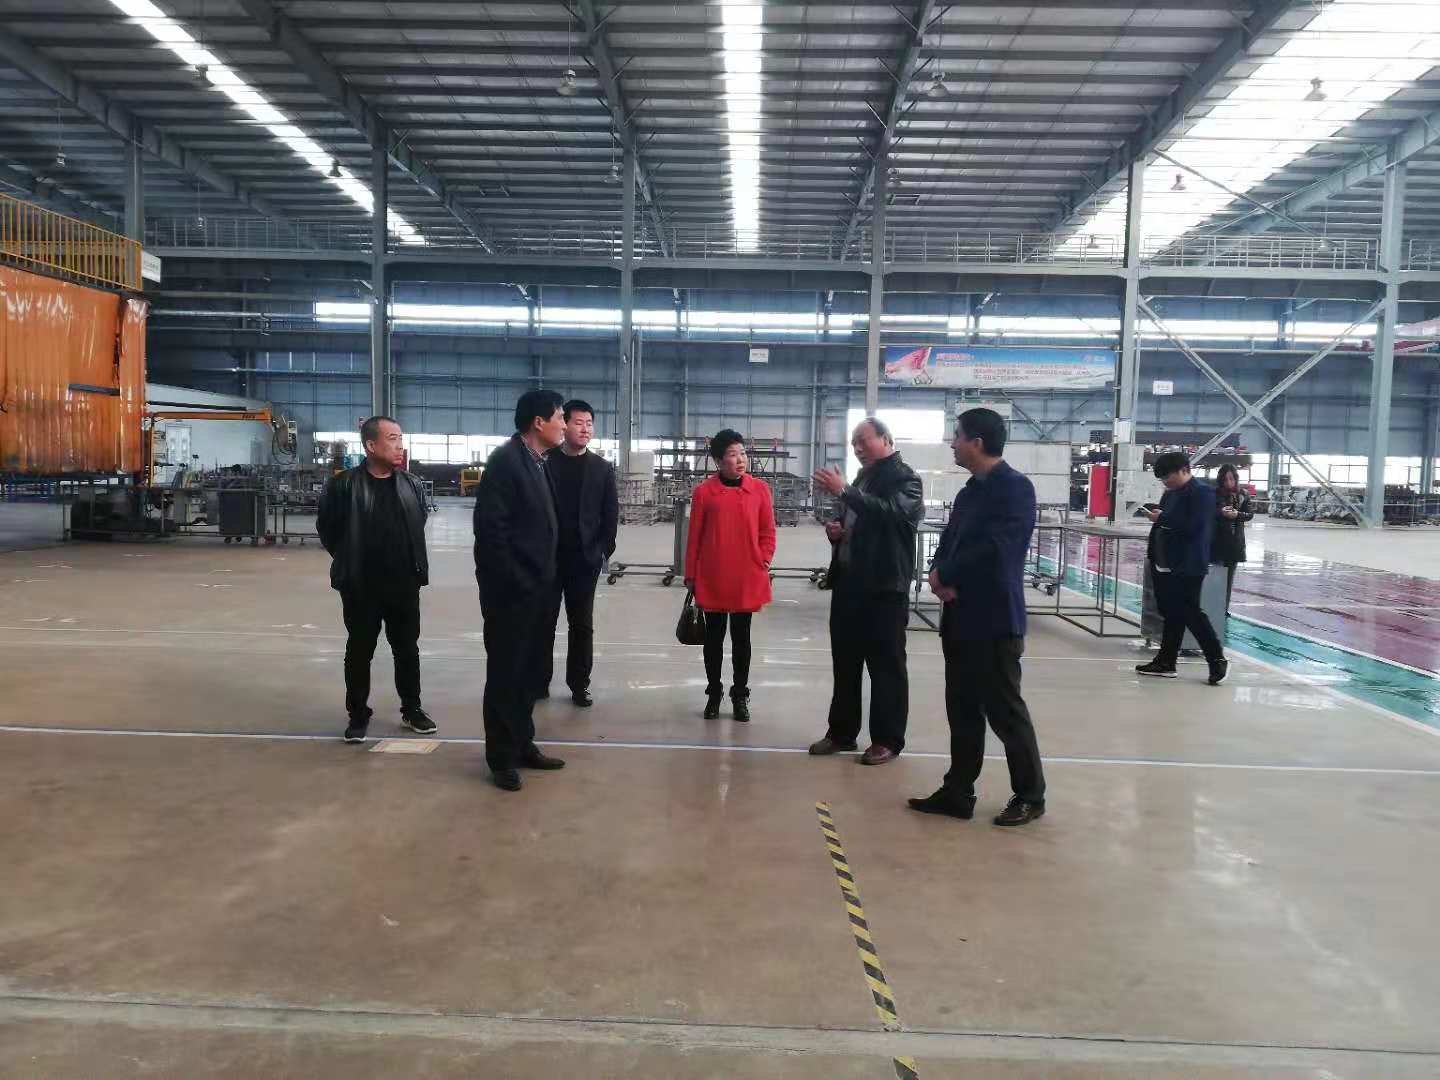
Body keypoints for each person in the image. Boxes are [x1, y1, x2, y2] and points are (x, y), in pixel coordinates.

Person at [908, 409, 1045, 827]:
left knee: (1005, 711)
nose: (952, 443)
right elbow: (950, 540)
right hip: (960, 616)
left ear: (977, 443)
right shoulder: (969, 492)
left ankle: (1030, 796)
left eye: (957, 436)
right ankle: (958, 791)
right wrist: (936, 571)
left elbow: (998, 549)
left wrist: (948, 575)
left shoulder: (1015, 489)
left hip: (994, 619)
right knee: (962, 708)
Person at [808, 417, 924, 765]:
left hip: (883, 587)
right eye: (854, 443)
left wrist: (844, 491)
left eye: (864, 440)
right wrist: (838, 532)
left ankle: (887, 739)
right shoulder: (863, 478)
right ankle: (842, 732)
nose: (857, 448)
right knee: (845, 663)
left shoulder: (906, 479)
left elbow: (891, 514)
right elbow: (859, 520)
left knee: (886, 666)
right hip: (849, 583)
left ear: (886, 439)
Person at [316, 415, 437, 744]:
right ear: (371, 445)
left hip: (404, 582)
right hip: (361, 585)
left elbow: (419, 520)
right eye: (392, 438)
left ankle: (412, 709)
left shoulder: (411, 484)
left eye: (400, 438)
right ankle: (358, 714)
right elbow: (328, 529)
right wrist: (350, 559)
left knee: (406, 649)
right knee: (359, 650)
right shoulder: (343, 485)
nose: (400, 445)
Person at [473, 390, 569, 791]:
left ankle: (522, 742)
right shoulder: (506, 462)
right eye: (560, 417)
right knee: (506, 673)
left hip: (539, 589)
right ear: (538, 422)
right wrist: (517, 580)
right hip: (512, 593)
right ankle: (501, 758)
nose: (564, 424)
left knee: (529, 673)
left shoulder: (538, 462)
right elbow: (491, 533)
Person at [683, 429, 778, 723]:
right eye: (733, 455)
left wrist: (763, 559)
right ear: (718, 461)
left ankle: (740, 694)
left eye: (743, 453)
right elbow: (694, 538)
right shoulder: (704, 493)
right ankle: (714, 692)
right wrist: (691, 575)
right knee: (713, 639)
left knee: (741, 637)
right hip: (713, 575)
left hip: (746, 575)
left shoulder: (760, 490)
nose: (740, 460)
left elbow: (768, 531)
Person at [533, 400, 620, 708]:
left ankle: (579, 684)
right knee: (544, 622)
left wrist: (601, 552)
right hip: (548, 560)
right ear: (564, 425)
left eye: (589, 423)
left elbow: (610, 515)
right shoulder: (545, 463)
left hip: (584, 560)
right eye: (578, 423)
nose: (585, 429)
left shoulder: (601, 468)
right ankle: (539, 681)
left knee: (581, 625)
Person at [1136, 452, 1229, 685]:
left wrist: (1162, 519)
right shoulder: (1170, 494)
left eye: (1168, 477)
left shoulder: (1203, 493)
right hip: (1164, 562)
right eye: (1162, 479)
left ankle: (1216, 658)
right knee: (1170, 612)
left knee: (1190, 611)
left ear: (1184, 470)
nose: (1165, 482)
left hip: (1188, 563)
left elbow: (1195, 527)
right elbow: (1167, 522)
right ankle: (1166, 661)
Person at [1210, 463, 1254, 614]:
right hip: (1217, 542)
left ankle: (1224, 609)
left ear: (1236, 479)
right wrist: (1220, 512)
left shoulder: (1243, 495)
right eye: (1225, 479)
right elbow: (1208, 512)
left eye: (1231, 479)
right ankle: (1213, 607)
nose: (1228, 482)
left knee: (1228, 579)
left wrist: (1237, 515)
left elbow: (1249, 514)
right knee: (1216, 577)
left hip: (1234, 543)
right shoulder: (1214, 494)